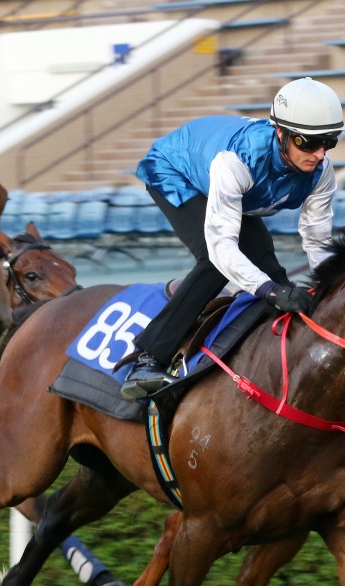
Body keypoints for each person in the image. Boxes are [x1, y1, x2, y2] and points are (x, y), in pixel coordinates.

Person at [120, 77, 341, 400]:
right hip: (176, 171)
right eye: (307, 142)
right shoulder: (237, 161)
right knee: (217, 263)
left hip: (234, 189)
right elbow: (222, 246)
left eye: (329, 142)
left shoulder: (321, 172)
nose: (319, 154)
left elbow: (317, 239)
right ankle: (148, 360)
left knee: (274, 273)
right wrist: (268, 290)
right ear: (280, 133)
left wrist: (324, 290)